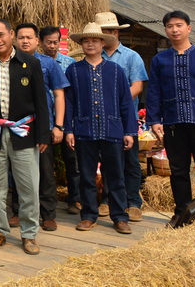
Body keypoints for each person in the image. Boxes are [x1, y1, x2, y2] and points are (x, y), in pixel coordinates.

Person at [0, 19, 49, 255]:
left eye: (1, 35)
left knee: (28, 186)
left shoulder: (31, 63)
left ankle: (29, 234)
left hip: (24, 133)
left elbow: (41, 102)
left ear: (11, 34)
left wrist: (42, 134)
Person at [64, 22, 136, 235]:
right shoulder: (74, 70)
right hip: (84, 131)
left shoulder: (115, 71)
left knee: (116, 176)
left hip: (112, 130)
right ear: (81, 44)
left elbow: (125, 102)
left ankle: (120, 217)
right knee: (87, 176)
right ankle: (88, 215)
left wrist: (129, 132)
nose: (90, 44)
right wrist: (69, 130)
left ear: (103, 43)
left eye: (95, 40)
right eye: (86, 41)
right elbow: (69, 103)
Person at [10, 23, 69, 231]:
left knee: (45, 171)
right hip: (17, 126)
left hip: (44, 125)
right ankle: (19, 211)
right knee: (18, 171)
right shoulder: (9, 63)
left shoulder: (49, 64)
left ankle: (48, 214)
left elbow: (59, 95)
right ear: (15, 40)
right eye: (21, 37)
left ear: (37, 40)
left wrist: (58, 126)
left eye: (29, 37)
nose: (25, 41)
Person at [146, 10, 195, 226]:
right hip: (173, 122)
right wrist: (154, 120)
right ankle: (182, 215)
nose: (174, 30)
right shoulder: (160, 60)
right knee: (178, 171)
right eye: (170, 26)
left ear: (189, 28)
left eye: (179, 25)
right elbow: (154, 91)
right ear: (165, 30)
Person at [95, 11, 148, 221]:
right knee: (108, 160)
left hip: (125, 118)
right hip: (102, 120)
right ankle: (108, 200)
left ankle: (133, 202)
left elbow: (137, 86)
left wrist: (115, 102)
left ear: (117, 32)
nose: (109, 34)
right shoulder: (94, 57)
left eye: (111, 30)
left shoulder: (131, 56)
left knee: (131, 161)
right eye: (104, 31)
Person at [39, 25, 81, 215]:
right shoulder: (36, 63)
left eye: (56, 42)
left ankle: (75, 199)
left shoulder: (69, 64)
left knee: (72, 160)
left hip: (67, 119)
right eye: (49, 42)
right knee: (45, 163)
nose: (52, 46)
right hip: (45, 120)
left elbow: (72, 94)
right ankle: (45, 202)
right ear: (41, 42)